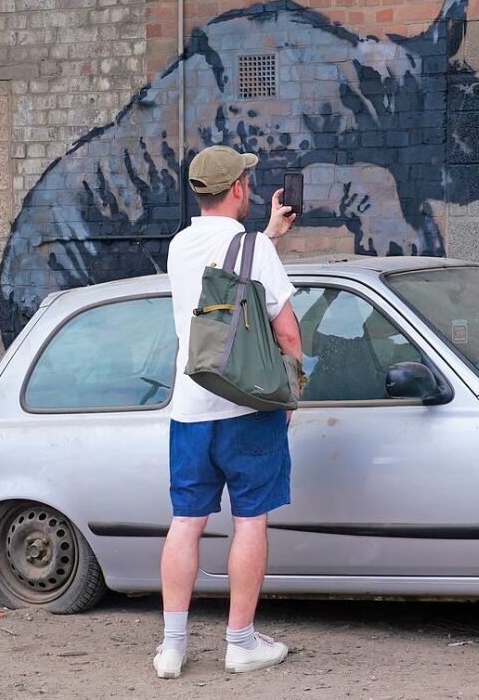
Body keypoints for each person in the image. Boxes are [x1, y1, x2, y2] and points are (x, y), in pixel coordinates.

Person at [154, 146, 302, 679]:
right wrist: (292, 389)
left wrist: (266, 236)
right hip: (248, 406)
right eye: (247, 180)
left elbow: (225, 269)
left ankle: (171, 646)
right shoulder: (253, 248)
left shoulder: (178, 247)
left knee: (186, 523)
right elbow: (284, 331)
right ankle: (239, 642)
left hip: (190, 408)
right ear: (238, 188)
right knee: (249, 521)